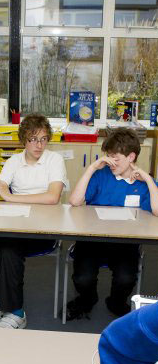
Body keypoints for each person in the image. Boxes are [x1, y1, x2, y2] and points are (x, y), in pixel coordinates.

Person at [0, 113, 67, 329]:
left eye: (43, 139)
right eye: (33, 139)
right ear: (24, 140)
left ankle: (17, 311)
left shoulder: (54, 160)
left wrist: (11, 197)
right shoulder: (14, 161)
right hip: (15, 223)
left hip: (44, 229)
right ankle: (0, 304)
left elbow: (52, 197)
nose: (39, 145)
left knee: (8, 248)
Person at [66, 128, 158, 321]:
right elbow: (74, 201)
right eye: (108, 156)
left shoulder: (142, 182)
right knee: (83, 278)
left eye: (115, 157)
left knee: (126, 279)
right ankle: (87, 299)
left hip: (124, 241)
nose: (109, 161)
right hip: (93, 238)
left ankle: (116, 302)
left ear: (131, 156)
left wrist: (149, 180)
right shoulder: (102, 174)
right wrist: (91, 168)